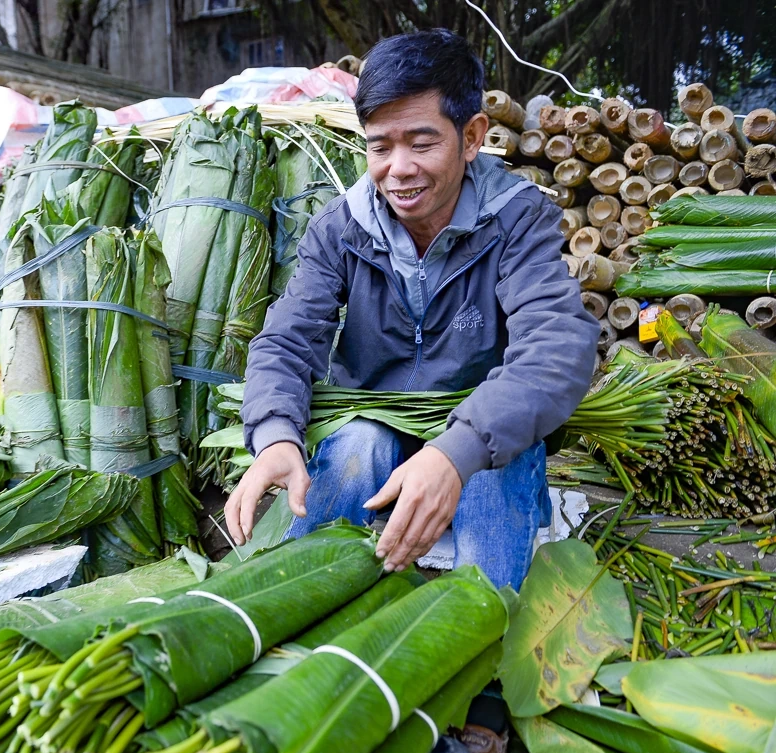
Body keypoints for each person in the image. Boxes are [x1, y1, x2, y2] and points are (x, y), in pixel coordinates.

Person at [226, 29, 598, 594]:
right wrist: (276, 435)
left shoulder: (516, 221)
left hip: (478, 425)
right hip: (375, 418)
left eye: (421, 143)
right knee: (356, 451)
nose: (398, 168)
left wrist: (455, 453)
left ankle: (477, 638)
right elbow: (285, 341)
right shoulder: (342, 228)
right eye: (380, 146)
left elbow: (556, 349)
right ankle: (303, 619)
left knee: (489, 491)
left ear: (471, 137)